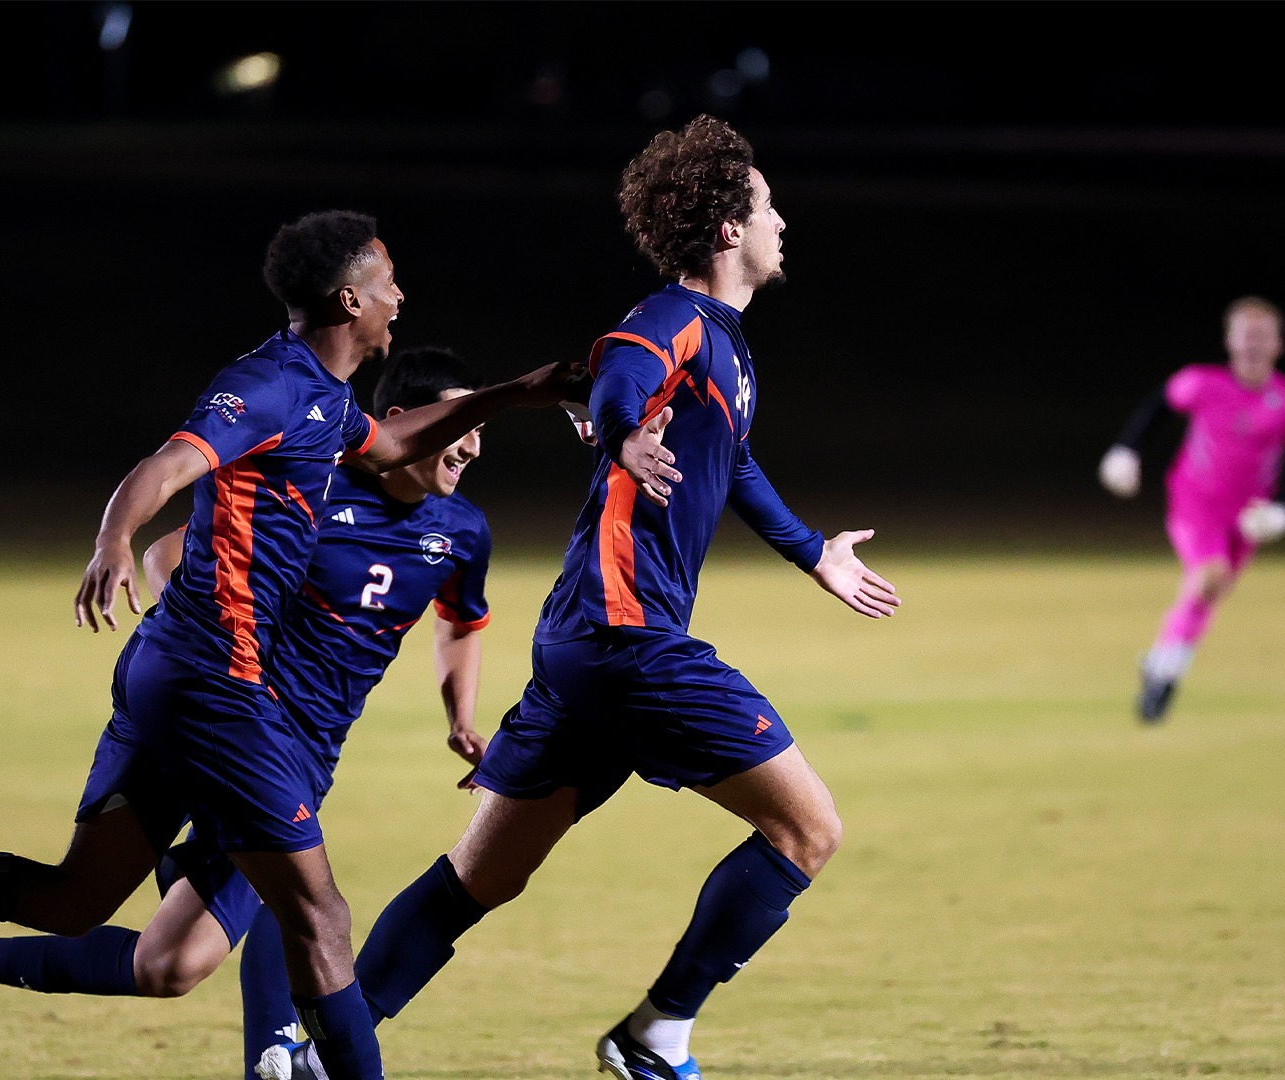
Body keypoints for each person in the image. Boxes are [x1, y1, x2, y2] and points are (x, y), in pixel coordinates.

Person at [0, 211, 577, 1080]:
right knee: (319, 918)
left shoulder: (328, 404)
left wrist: (520, 391)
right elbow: (170, 464)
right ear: (349, 297)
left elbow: (391, 442)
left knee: (80, 902)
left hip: (180, 680)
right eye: (389, 279)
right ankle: (291, 1059)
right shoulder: (272, 383)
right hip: (220, 688)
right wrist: (116, 539)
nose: (401, 295)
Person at [264, 115, 902, 1080]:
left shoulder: (729, 352)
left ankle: (318, 1062)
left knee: (478, 880)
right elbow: (620, 367)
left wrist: (815, 554)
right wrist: (618, 434)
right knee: (808, 829)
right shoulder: (673, 319)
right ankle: (657, 1033)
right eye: (769, 205)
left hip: (582, 647)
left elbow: (733, 464)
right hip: (625, 635)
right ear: (728, 229)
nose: (783, 221)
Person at [0, 346, 498, 1078]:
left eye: (479, 424)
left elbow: (462, 620)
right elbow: (170, 551)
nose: (472, 440)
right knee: (304, 910)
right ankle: (275, 1058)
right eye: (458, 421)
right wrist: (203, 645)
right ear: (401, 423)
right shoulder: (310, 487)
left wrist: (460, 716)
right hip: (234, 725)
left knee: (171, 964)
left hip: (308, 748)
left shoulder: (463, 531)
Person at [1097, 295, 1285, 723]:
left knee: (1210, 592)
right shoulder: (1202, 383)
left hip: (1248, 517)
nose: (1253, 345)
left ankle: (1161, 663)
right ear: (1230, 341)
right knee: (1209, 576)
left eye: (1263, 337)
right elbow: (1157, 408)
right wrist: (1125, 451)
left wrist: (1284, 511)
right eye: (1245, 335)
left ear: (1278, 344)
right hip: (1195, 504)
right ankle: (1165, 680)